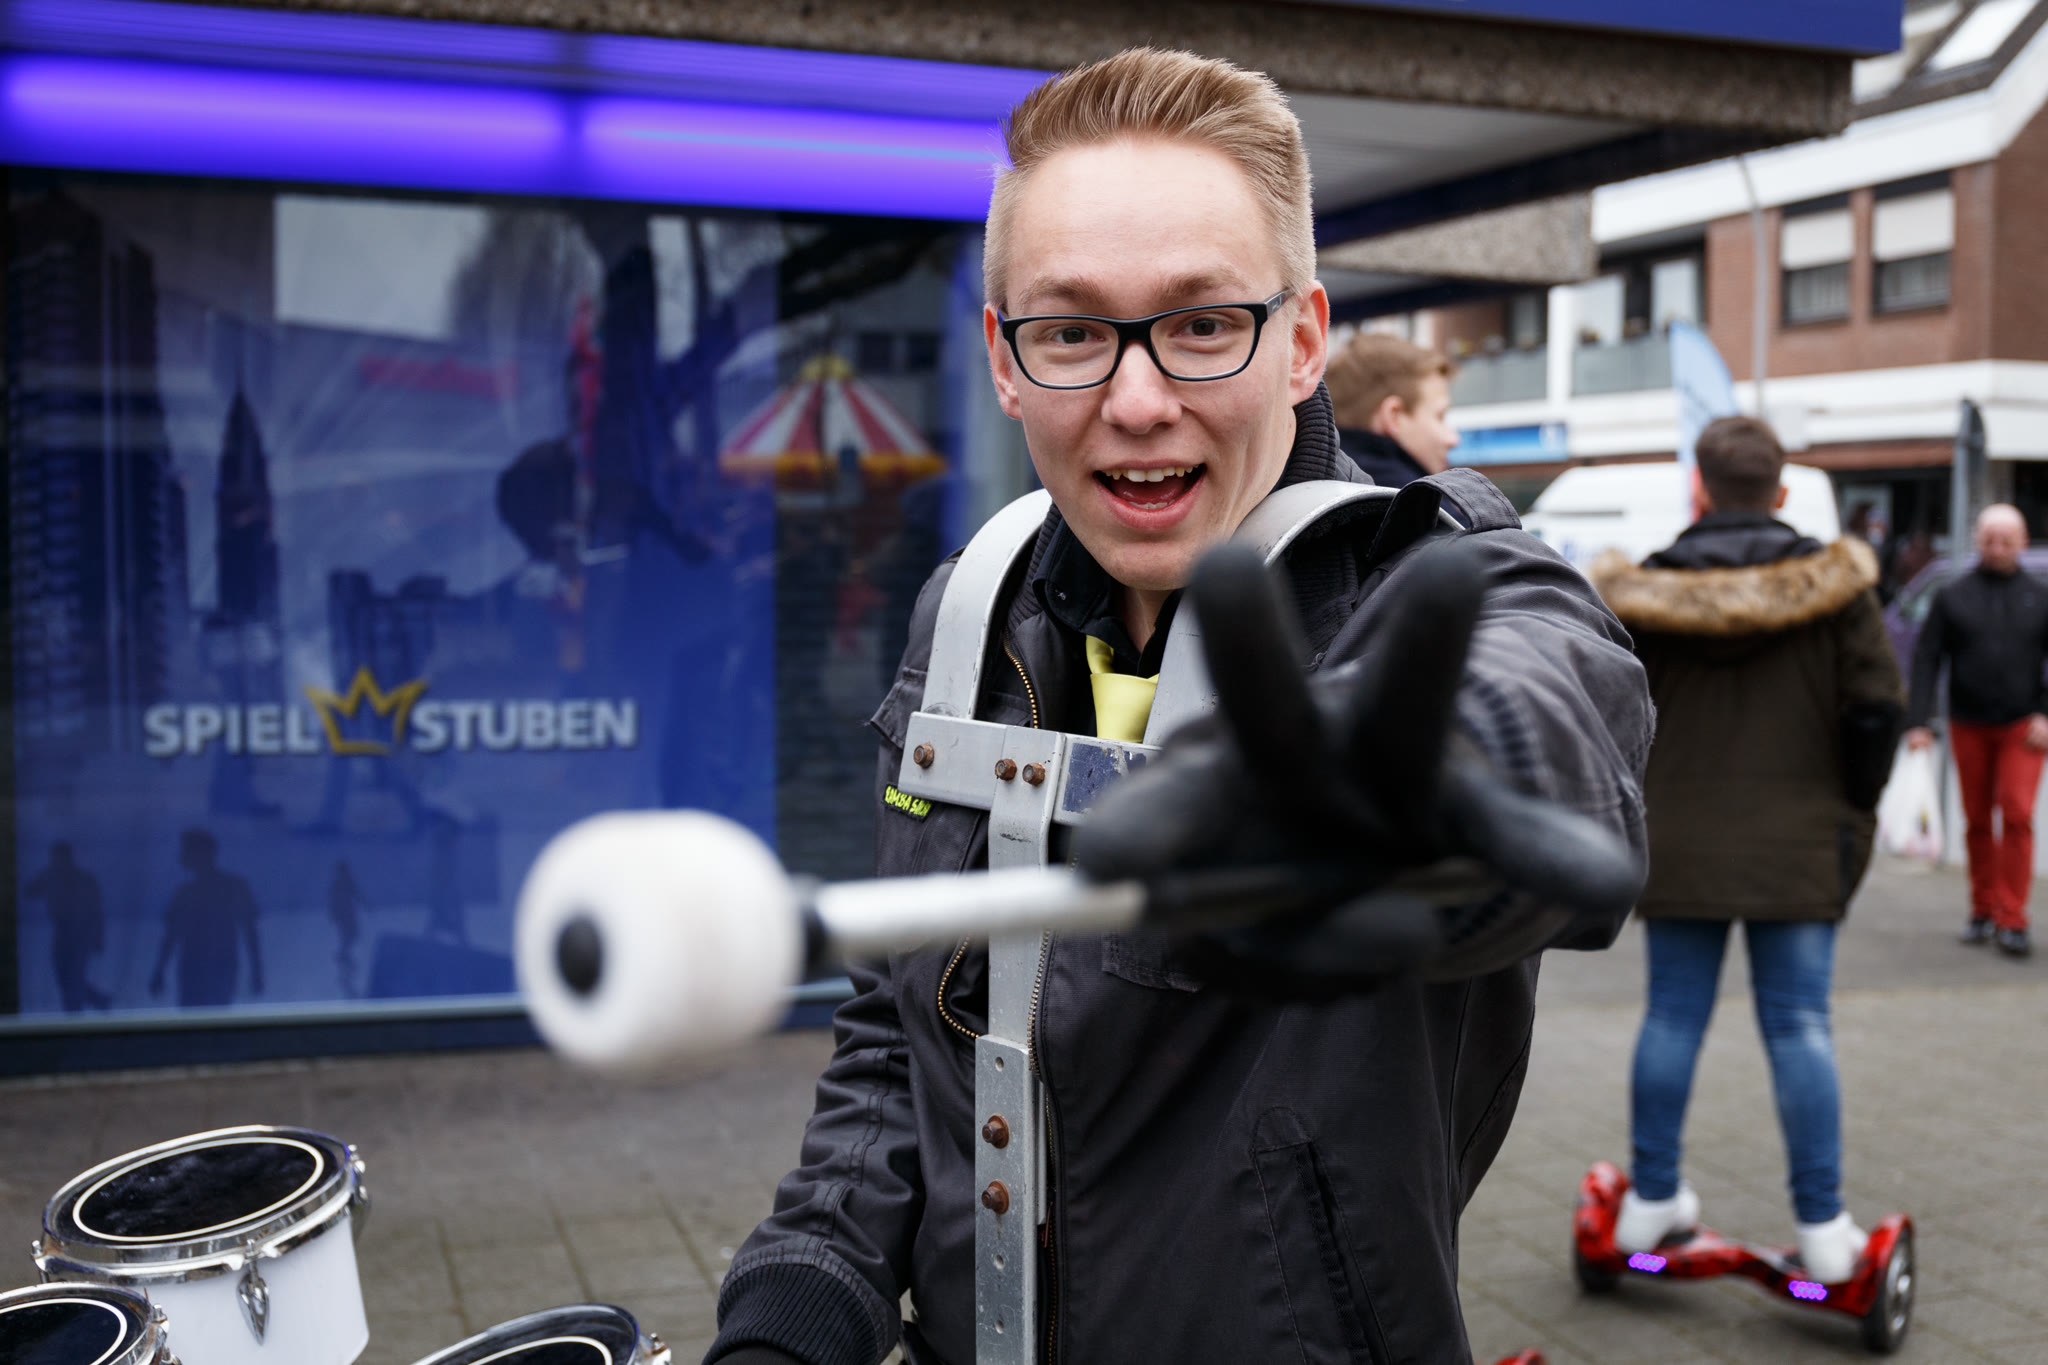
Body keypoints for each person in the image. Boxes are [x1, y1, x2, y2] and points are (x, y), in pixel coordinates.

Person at [707, 49, 1651, 1365]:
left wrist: (1428, 784)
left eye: (1203, 325)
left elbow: (1548, 703)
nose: (1137, 402)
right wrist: (799, 1305)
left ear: (1303, 341)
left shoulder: (1442, 581)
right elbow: (896, 1036)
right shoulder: (967, 609)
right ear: (1003, 360)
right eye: (1072, 332)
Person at [1589, 416, 1904, 1284]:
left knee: (1670, 1016)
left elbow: (1610, 712)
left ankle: (1651, 1198)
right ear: (1781, 491)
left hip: (1680, 840)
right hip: (1799, 838)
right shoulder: (1839, 591)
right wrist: (1854, 800)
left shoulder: (1644, 591)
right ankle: (1824, 1229)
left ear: (1699, 487)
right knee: (1799, 1023)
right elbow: (1879, 707)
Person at [1904, 503, 2048, 958]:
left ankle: (2013, 916)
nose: (1998, 549)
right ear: (1977, 542)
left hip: (2023, 724)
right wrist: (1919, 720)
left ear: (2022, 543)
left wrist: (2045, 714)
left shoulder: (2039, 596)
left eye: (2006, 541)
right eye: (1990, 540)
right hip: (1968, 721)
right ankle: (1982, 907)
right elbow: (1927, 659)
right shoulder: (1954, 596)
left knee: (2018, 813)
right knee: (1978, 818)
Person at [1324, 330, 1460, 487]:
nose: (1453, 439)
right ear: (1393, 416)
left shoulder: (1316, 485)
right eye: (1439, 416)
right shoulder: (1421, 500)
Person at [149, 828, 263, 1008]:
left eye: (186, 850)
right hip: (199, 969)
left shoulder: (226, 889)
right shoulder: (189, 892)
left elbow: (250, 932)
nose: (181, 855)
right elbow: (170, 936)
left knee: (208, 1015)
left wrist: (159, 971)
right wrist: (159, 971)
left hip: (213, 969)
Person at [24, 841, 110, 1012]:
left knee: (74, 978)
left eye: (61, 857)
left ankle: (75, 1013)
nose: (58, 861)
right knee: (63, 978)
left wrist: (98, 938)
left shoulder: (85, 880)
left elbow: (97, 911)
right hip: (61, 934)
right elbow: (28, 892)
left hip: (81, 936)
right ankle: (96, 1001)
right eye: (55, 858)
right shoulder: (49, 877)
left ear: (69, 858)